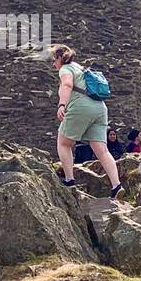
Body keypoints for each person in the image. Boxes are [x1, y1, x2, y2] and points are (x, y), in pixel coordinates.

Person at [51, 44, 123, 199]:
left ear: (59, 58)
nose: (53, 64)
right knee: (102, 150)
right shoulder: (80, 67)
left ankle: (69, 180)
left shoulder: (66, 69)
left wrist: (62, 105)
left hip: (81, 107)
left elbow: (67, 85)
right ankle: (117, 185)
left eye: (54, 59)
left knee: (64, 143)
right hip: (100, 108)